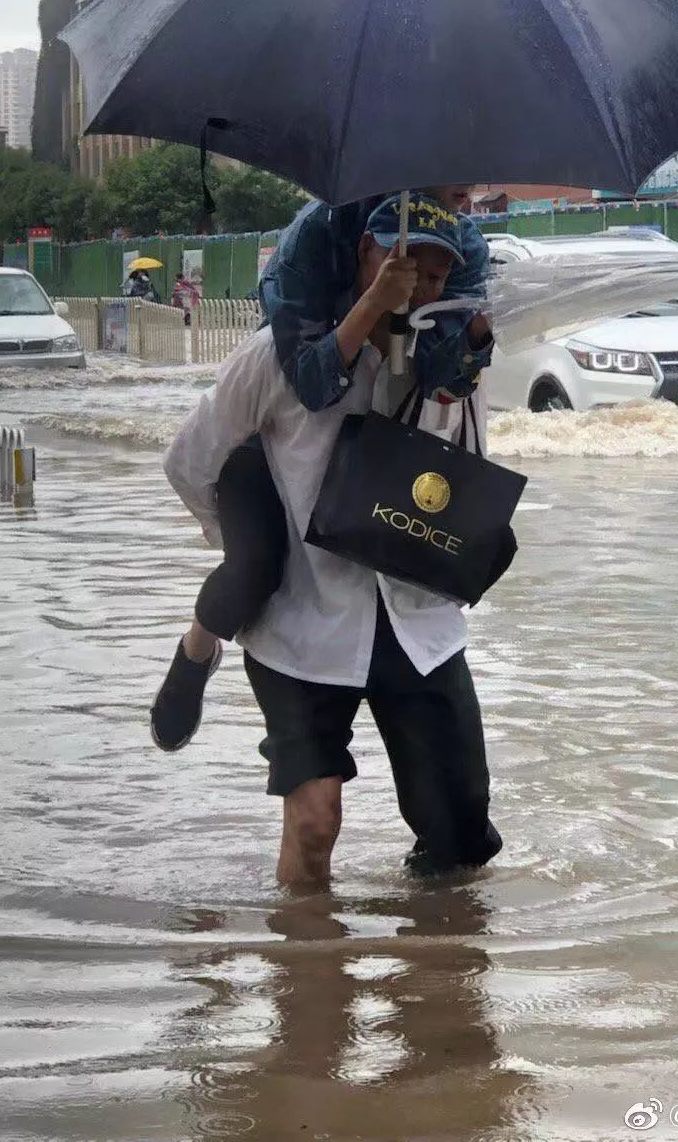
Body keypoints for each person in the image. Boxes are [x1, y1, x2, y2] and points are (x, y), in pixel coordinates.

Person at [163, 199, 502, 884]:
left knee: (460, 838)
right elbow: (192, 461)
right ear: (362, 257)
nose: (416, 286)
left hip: (417, 623)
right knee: (315, 821)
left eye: (436, 276)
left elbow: (470, 467)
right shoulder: (275, 357)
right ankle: (309, 975)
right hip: (301, 622)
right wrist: (255, 549)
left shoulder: (453, 371)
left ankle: (435, 973)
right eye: (400, 264)